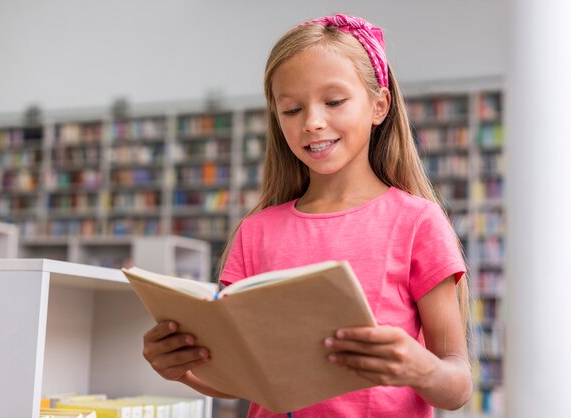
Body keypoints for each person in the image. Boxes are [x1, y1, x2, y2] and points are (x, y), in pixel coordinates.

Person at [142, 13, 472, 417]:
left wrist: (420, 368)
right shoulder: (256, 231)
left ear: (379, 105)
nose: (312, 123)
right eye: (292, 110)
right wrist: (182, 369)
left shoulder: (417, 222)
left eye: (334, 102)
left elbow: (457, 387)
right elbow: (240, 380)